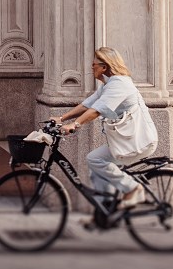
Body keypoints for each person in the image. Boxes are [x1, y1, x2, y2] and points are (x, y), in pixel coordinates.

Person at [54, 46, 158, 221]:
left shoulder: (119, 84)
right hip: (126, 140)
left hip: (139, 141)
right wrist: (62, 118)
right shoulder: (109, 84)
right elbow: (88, 104)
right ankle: (104, 212)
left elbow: (97, 110)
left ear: (104, 67)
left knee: (95, 159)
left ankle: (133, 189)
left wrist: (75, 124)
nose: (91, 67)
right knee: (97, 168)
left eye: (94, 64)